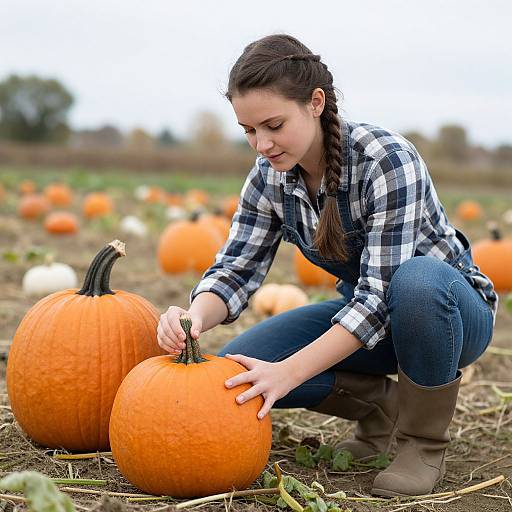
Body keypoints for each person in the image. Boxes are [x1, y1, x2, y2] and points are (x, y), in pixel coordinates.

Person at [157, 33, 498, 497]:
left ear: (315, 103)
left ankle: (422, 443)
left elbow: (380, 297)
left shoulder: (387, 160)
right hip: (371, 324)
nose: (262, 143)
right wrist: (193, 315)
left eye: (274, 124)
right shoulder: (268, 180)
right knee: (240, 369)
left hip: (450, 316)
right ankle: (382, 408)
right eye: (250, 131)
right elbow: (237, 270)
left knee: (416, 281)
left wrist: (291, 371)